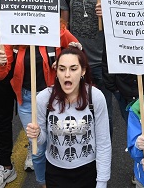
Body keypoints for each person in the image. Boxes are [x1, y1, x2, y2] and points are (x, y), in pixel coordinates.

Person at [0, 22, 80, 187]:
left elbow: (78, 54)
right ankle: (43, 183)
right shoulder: (13, 36)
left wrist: (64, 60)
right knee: (38, 148)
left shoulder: (57, 31)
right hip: (27, 101)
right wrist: (1, 63)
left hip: (55, 99)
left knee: (59, 144)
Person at [25, 47, 112, 188]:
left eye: (73, 69)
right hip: (55, 173)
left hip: (88, 171)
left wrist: (102, 182)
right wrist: (35, 135)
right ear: (56, 71)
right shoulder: (43, 98)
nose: (67, 75)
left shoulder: (95, 97)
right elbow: (40, 141)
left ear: (83, 71)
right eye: (62, 69)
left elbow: (103, 144)